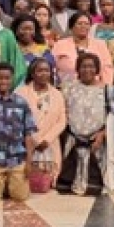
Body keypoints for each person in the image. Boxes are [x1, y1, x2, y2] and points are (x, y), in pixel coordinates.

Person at [0, 62, 37, 202]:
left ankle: (8, 182)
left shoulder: (21, 103)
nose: (4, 81)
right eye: (0, 78)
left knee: (20, 196)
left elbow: (28, 134)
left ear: (12, 79)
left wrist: (28, 162)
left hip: (16, 160)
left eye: (7, 78)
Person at [57, 53, 110, 196]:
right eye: (83, 66)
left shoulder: (106, 90)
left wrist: (102, 134)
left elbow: (112, 116)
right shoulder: (68, 88)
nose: (87, 70)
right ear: (78, 69)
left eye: (91, 66)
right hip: (73, 140)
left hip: (96, 141)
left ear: (97, 69)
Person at [16, 58, 67, 193]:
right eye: (39, 70)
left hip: (50, 143)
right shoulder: (21, 93)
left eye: (47, 70)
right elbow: (18, 118)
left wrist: (46, 139)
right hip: (27, 141)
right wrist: (36, 139)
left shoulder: (57, 94)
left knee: (46, 183)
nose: (44, 74)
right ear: (32, 73)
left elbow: (62, 121)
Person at [53, 12, 114, 86]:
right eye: (79, 23)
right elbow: (53, 68)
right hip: (67, 88)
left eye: (86, 24)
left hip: (96, 88)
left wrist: (105, 87)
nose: (83, 26)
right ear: (71, 27)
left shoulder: (100, 44)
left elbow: (107, 68)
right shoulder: (60, 44)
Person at [12, 14, 57, 82]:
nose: (27, 32)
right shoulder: (10, 50)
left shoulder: (44, 51)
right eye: (23, 29)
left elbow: (53, 74)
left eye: (31, 29)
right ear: (16, 30)